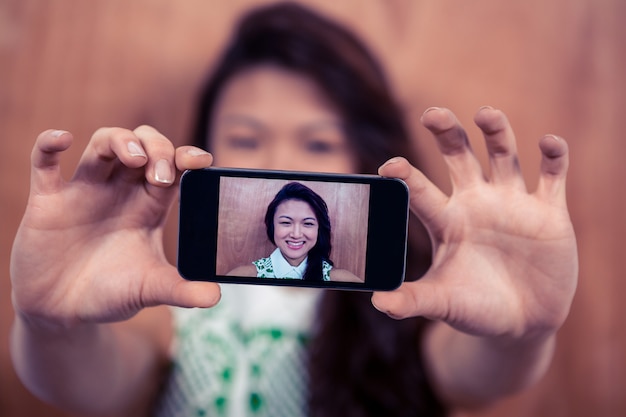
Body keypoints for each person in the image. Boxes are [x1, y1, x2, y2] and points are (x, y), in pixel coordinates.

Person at [9, 3, 578, 417]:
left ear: (366, 156)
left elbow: (473, 374)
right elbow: (90, 385)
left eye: (318, 144)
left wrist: (519, 336)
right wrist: (52, 324)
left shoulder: (410, 304)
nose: (282, 166)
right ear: (202, 149)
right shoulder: (171, 299)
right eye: (247, 139)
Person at [227, 181, 362, 283]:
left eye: (308, 224)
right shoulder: (242, 276)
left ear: (319, 229)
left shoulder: (343, 280)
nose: (296, 234)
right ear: (272, 226)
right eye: (286, 222)